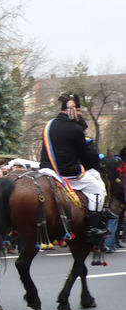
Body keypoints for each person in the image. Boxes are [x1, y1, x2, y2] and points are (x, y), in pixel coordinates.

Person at [39, 92, 115, 241]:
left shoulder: (48, 124)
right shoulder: (75, 129)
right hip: (68, 172)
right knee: (98, 189)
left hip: (47, 169)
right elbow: (86, 157)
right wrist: (91, 163)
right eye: (79, 111)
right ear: (72, 109)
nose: (80, 114)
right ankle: (92, 228)